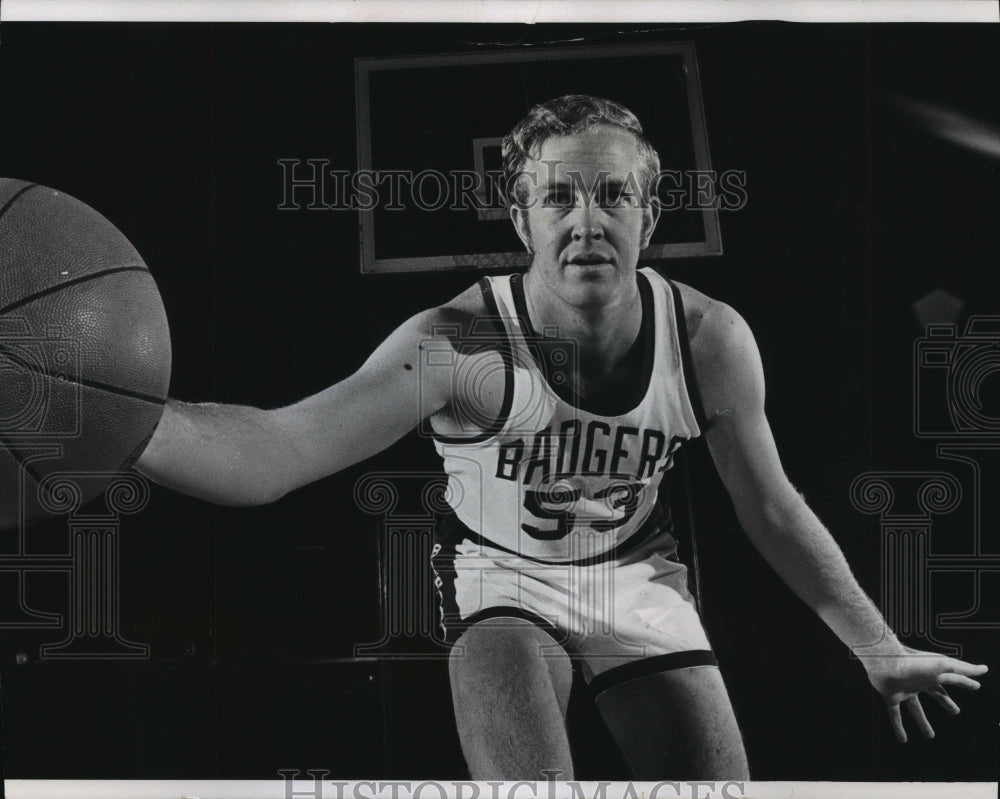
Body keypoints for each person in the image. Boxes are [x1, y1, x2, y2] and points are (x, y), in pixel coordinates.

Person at [137, 95, 988, 780]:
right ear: (522, 222)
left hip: (634, 574)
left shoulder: (709, 340)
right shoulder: (459, 341)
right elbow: (278, 451)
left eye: (614, 194)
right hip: (501, 575)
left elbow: (770, 507)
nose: (587, 220)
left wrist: (876, 644)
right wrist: (127, 423)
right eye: (558, 197)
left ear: (649, 217)